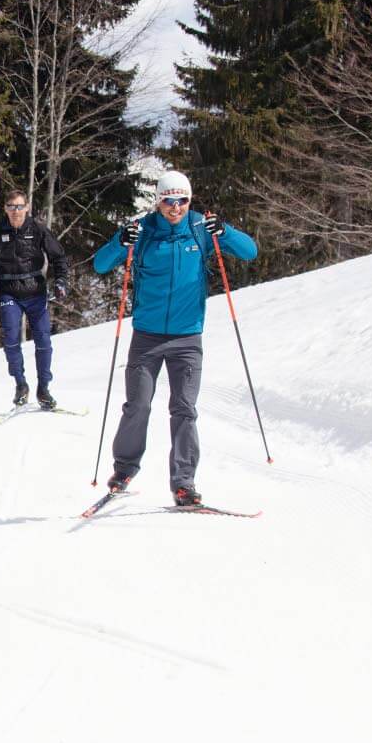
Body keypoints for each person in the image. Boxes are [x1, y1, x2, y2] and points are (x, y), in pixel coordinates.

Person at [92, 170, 258, 506]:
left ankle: (183, 483)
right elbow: (100, 264)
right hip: (147, 336)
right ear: (158, 201)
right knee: (137, 405)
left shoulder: (200, 228)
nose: (176, 207)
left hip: (187, 338)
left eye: (182, 200)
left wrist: (225, 231)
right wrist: (119, 240)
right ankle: (124, 470)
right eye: (169, 200)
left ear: (189, 200)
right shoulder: (143, 231)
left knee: (184, 409)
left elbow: (250, 251)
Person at [0, 189, 70, 409]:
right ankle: (20, 384)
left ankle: (44, 388)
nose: (15, 212)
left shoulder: (37, 229)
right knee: (10, 340)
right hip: (9, 291)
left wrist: (62, 281)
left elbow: (59, 257)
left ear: (27, 207)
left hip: (36, 290)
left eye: (19, 207)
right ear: (5, 209)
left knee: (44, 340)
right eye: (11, 207)